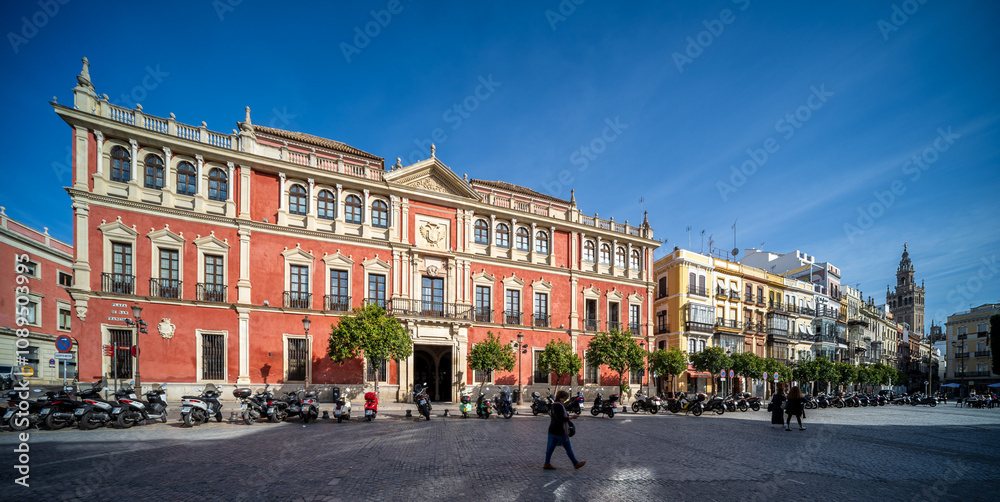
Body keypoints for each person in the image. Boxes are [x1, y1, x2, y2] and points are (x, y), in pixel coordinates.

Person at [544, 390, 585, 470]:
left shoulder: (554, 405)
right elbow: (562, 419)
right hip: (560, 430)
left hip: (552, 429)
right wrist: (572, 417)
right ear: (561, 398)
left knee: (550, 448)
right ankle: (575, 463)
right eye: (565, 398)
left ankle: (547, 463)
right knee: (568, 447)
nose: (565, 400)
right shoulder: (559, 406)